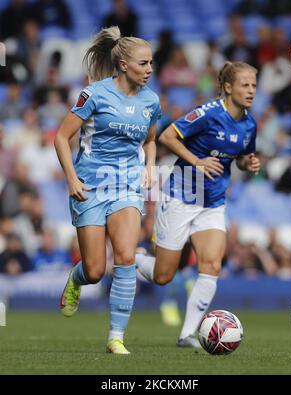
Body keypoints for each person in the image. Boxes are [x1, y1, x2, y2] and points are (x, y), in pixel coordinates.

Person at [136, 61, 261, 348]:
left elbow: (240, 157)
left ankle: (187, 334)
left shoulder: (250, 123)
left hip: (213, 202)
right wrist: (197, 161)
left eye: (254, 85)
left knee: (212, 265)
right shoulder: (208, 113)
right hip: (181, 196)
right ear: (228, 87)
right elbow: (167, 136)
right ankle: (127, 262)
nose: (251, 90)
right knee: (163, 275)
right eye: (245, 85)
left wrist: (247, 162)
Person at [54, 26, 160, 354]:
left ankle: (116, 337)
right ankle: (77, 278)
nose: (150, 69)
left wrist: (149, 167)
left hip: (126, 185)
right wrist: (71, 179)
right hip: (90, 186)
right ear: (124, 65)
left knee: (126, 257)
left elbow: (152, 139)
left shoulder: (151, 100)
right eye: (143, 64)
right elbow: (61, 137)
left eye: (152, 63)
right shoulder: (95, 94)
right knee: (96, 270)